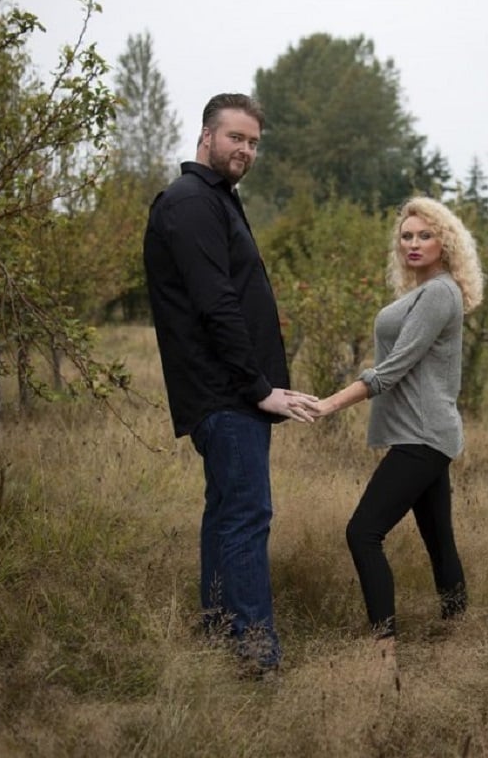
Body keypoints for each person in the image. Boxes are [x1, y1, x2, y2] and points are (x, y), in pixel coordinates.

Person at [143, 92, 317, 677]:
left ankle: (219, 627)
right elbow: (216, 306)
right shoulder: (191, 201)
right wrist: (258, 387)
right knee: (246, 514)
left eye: (253, 143)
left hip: (228, 393)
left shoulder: (215, 200)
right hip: (225, 393)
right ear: (206, 135)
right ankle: (254, 650)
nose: (245, 150)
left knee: (226, 512)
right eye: (236, 138)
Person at [313, 196, 484, 671]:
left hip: (423, 437)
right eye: (406, 236)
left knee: (362, 532)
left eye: (424, 235)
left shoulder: (439, 293)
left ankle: (383, 653)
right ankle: (458, 636)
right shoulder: (423, 290)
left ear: (444, 242)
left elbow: (391, 370)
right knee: (439, 541)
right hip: (424, 433)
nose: (413, 243)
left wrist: (329, 403)